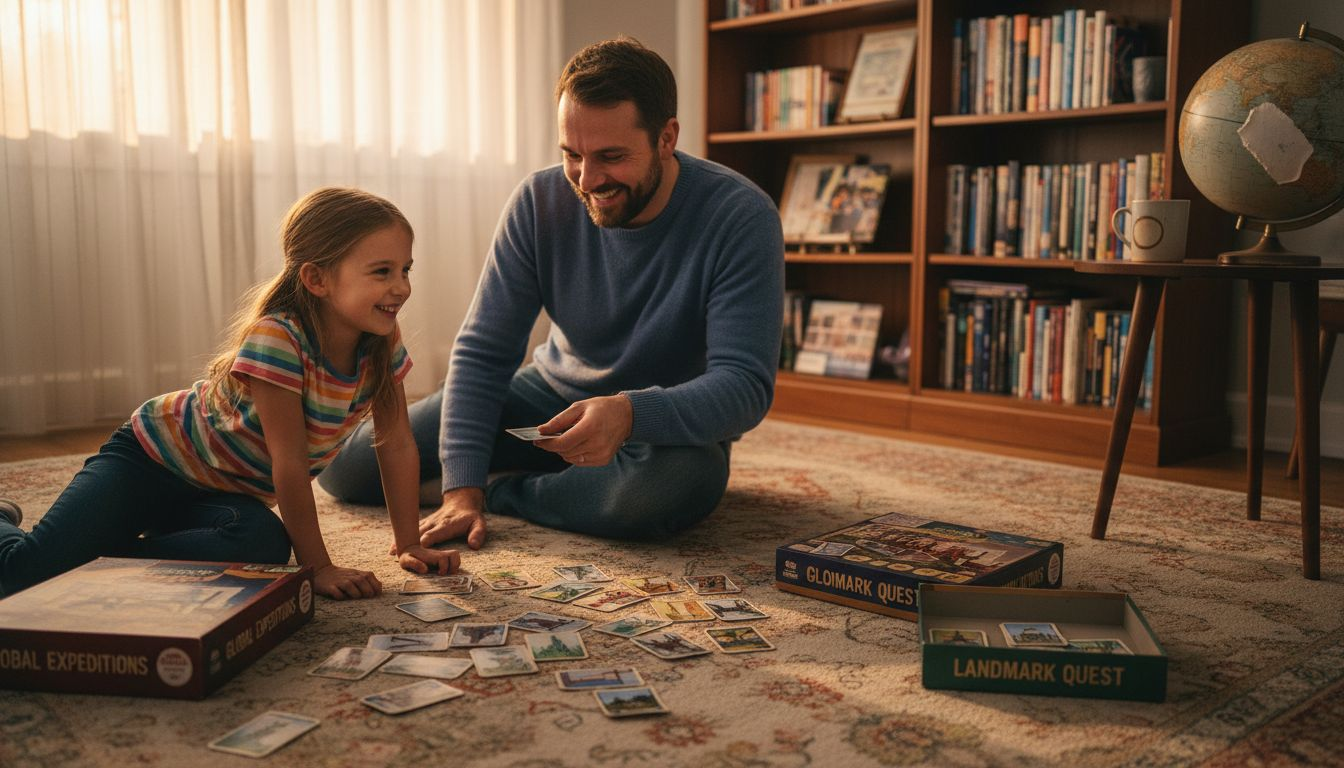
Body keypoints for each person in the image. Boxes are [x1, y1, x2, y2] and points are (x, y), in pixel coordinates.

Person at [318, 37, 784, 549]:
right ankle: (536, 482)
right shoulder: (538, 202)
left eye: (611, 156)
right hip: (549, 396)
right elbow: (485, 351)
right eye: (572, 154)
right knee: (347, 467)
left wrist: (629, 413)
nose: (587, 179)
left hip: (660, 427)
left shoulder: (741, 217)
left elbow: (744, 386)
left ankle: (512, 491)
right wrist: (459, 488)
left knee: (665, 491)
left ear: (666, 138)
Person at [0, 187, 459, 599]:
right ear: (317, 279)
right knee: (22, 578)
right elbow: (290, 464)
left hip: (219, 496)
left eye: (405, 269)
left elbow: (396, 443)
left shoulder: (381, 339)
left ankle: (97, 553)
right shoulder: (279, 339)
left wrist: (410, 542)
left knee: (262, 547)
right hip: (148, 462)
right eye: (382, 272)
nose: (402, 287)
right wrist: (318, 567)